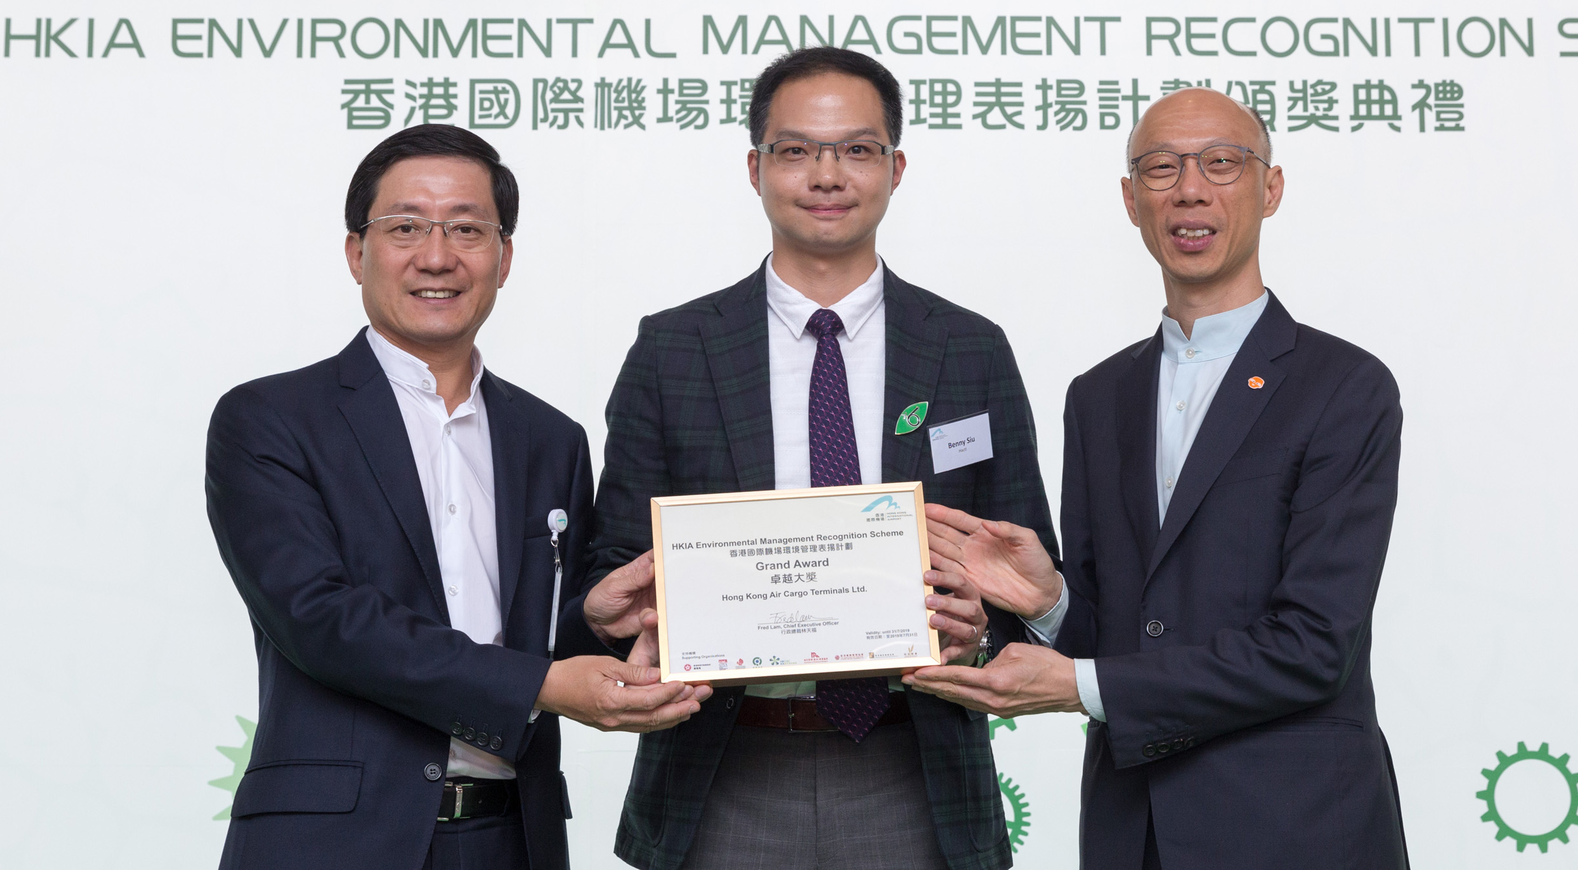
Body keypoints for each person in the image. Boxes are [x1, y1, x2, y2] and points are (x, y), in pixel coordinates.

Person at [906, 88, 1409, 870]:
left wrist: (1079, 685)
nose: (1190, 189)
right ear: (1130, 199)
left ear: (1270, 188)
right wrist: (1051, 601)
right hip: (1133, 830)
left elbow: (1314, 646)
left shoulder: (1344, 385)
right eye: (1161, 168)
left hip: (1299, 825)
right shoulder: (1099, 395)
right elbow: (1127, 636)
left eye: (1221, 163)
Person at [589, 46, 1060, 870]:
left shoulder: (969, 349)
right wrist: (610, 612)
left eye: (856, 148)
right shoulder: (674, 350)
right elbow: (609, 566)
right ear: (755, 167)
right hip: (725, 765)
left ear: (896, 166)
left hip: (913, 764)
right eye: (797, 149)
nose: (827, 173)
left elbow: (1023, 575)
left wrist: (986, 622)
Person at [206, 125, 711, 870]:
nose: (437, 255)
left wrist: (592, 623)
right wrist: (542, 678)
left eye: (468, 230)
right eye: (405, 226)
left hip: (513, 837)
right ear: (356, 251)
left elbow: (539, 647)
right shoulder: (270, 419)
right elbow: (320, 618)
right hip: (331, 840)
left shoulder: (551, 438)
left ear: (504, 258)